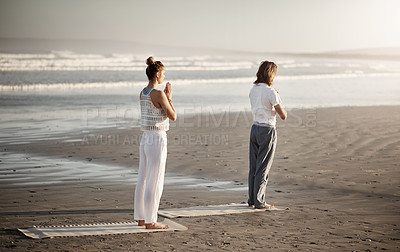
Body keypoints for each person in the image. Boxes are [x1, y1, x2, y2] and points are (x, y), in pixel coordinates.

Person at [134, 56, 177, 229]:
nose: (164, 77)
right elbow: (173, 116)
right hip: (157, 139)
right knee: (155, 179)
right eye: (164, 74)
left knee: (143, 178)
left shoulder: (142, 93)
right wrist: (169, 97)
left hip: (145, 138)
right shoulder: (159, 94)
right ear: (157, 74)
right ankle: (151, 221)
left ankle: (141, 218)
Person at [248, 60, 287, 209]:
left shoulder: (253, 90)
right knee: (263, 167)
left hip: (255, 128)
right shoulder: (271, 92)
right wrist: (278, 97)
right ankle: (259, 201)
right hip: (267, 130)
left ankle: (252, 199)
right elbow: (283, 115)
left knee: (254, 166)